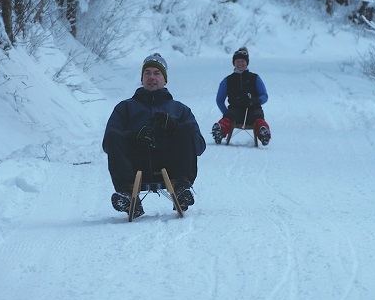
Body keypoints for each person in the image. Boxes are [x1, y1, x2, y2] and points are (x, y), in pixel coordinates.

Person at [102, 53, 206, 218]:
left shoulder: (180, 110)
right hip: (135, 166)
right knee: (114, 135)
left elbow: (199, 147)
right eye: (147, 73)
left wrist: (174, 127)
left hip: (171, 165)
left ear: (165, 80)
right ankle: (127, 195)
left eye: (157, 73)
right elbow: (108, 144)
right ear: (142, 79)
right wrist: (133, 136)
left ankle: (181, 189)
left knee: (186, 129)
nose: (152, 77)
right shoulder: (125, 108)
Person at [212, 47, 271, 146]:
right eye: (237, 61)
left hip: (253, 108)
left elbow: (264, 95)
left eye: (242, 61)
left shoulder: (255, 78)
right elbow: (219, 100)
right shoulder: (228, 80)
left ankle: (264, 133)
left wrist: (257, 101)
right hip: (235, 110)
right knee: (228, 118)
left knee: (258, 119)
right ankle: (219, 131)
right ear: (234, 63)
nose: (240, 63)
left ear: (247, 62)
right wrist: (225, 112)